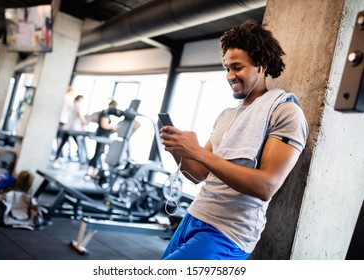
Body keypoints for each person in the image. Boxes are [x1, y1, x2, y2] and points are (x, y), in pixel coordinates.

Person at [159, 20, 308, 260]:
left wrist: (196, 151)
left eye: (237, 67)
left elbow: (266, 187)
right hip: (195, 216)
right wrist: (179, 148)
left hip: (228, 233)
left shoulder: (285, 112)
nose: (230, 76)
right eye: (226, 68)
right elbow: (197, 174)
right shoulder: (227, 115)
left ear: (261, 65)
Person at [84, 100, 122, 180]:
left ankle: (93, 172)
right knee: (97, 154)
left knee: (99, 153)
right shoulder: (105, 113)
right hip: (102, 136)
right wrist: (114, 127)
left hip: (104, 136)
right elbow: (104, 125)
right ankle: (89, 172)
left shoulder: (106, 113)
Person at [53, 95, 88, 168]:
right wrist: (84, 122)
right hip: (74, 128)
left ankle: (56, 157)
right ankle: (81, 160)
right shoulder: (77, 106)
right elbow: (79, 115)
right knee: (79, 144)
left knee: (63, 143)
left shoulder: (72, 105)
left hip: (68, 127)